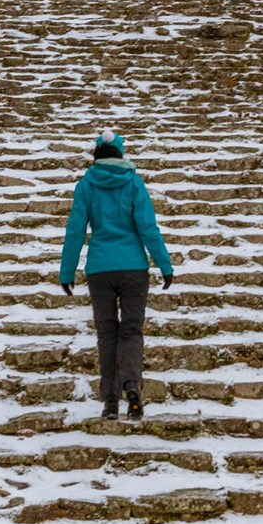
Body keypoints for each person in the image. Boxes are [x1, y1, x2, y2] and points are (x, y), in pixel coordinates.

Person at [59, 130, 173, 419]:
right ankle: (132, 384)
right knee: (132, 329)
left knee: (107, 333)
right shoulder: (134, 183)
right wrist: (164, 264)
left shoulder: (86, 185)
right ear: (120, 154)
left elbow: (75, 230)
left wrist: (67, 270)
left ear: (96, 154)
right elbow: (148, 227)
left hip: (100, 269)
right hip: (134, 267)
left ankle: (110, 400)